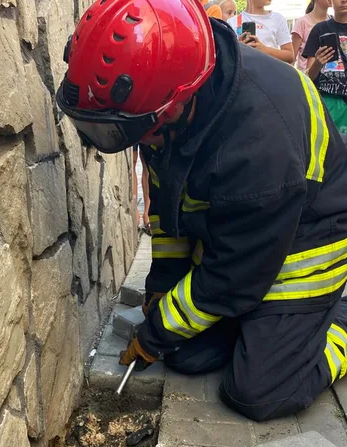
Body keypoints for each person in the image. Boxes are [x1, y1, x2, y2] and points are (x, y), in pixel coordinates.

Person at [56, 0, 347, 421]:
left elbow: (233, 275)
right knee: (186, 355)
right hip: (246, 232)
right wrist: (163, 283)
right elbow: (168, 207)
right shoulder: (161, 101)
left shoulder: (259, 141)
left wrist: (155, 333)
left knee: (257, 390)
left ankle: (335, 321)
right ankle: (261, 325)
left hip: (309, 236)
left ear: (175, 105)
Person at [303, 0, 347, 134]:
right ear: (330, 1)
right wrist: (318, 62)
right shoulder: (320, 29)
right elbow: (308, 77)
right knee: (332, 150)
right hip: (329, 101)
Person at [228, 0, 294, 63]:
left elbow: (290, 56)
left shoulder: (277, 19)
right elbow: (227, 58)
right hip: (245, 73)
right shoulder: (232, 22)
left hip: (271, 72)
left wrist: (264, 50)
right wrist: (239, 47)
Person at [292, 0, 331, 72]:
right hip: (307, 77)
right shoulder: (302, 22)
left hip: (329, 77)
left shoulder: (332, 22)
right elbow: (292, 57)